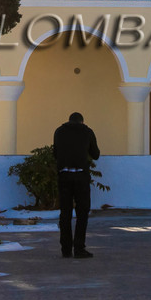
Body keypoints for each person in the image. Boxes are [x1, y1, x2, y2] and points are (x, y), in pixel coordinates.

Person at [52, 110, 100, 259]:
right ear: (82, 122)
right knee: (82, 213)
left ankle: (66, 249)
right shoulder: (87, 131)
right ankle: (79, 248)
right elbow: (96, 154)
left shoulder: (59, 131)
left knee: (65, 213)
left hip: (64, 175)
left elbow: (55, 153)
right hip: (81, 176)